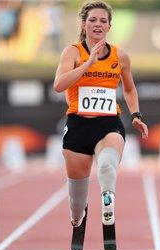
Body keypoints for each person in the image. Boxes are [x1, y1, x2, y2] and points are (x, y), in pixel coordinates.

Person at [53, 0, 148, 232]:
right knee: (77, 202)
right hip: (78, 125)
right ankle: (78, 215)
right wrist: (88, 64)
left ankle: (108, 203)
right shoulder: (73, 52)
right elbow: (58, 85)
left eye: (103, 21)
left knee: (107, 166)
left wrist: (136, 114)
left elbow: (129, 88)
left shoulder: (121, 57)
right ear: (84, 24)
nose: (98, 24)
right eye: (93, 20)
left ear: (109, 26)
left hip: (108, 124)